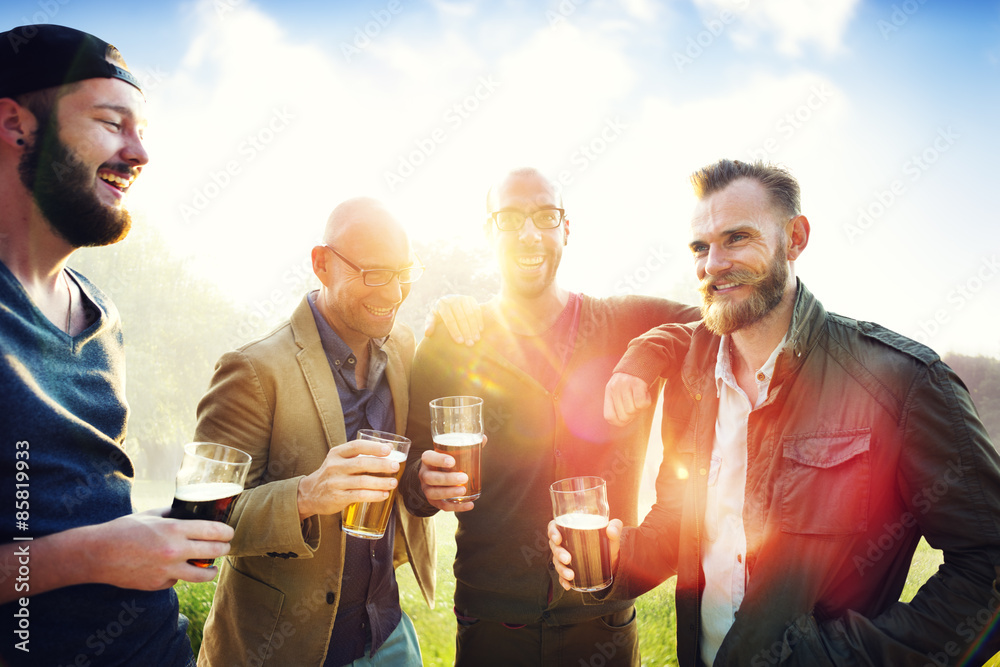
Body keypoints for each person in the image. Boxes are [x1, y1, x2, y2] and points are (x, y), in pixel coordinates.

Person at [550, 158, 1000, 666]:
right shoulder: (693, 381)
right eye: (700, 247)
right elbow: (682, 522)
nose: (713, 264)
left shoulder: (903, 383)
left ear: (795, 238)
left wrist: (838, 658)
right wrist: (615, 559)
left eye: (737, 238)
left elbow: (989, 563)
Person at [0, 24, 235, 666]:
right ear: (17, 124)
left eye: (144, 131)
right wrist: (96, 555)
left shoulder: (104, 318)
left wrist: (150, 533)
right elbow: (75, 549)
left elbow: (77, 505)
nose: (140, 154)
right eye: (111, 122)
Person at [403, 167, 701, 666]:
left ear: (567, 229)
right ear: (488, 233)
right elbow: (411, 472)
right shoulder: (453, 339)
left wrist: (647, 354)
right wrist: (420, 481)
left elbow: (714, 325)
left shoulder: (623, 321)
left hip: (602, 623)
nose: (528, 234)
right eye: (510, 218)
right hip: (491, 624)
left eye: (545, 216)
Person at [193, 197, 435, 666]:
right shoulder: (253, 370)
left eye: (403, 272)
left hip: (388, 635)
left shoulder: (402, 345)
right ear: (321, 265)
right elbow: (203, 517)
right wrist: (305, 494)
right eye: (373, 274)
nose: (394, 293)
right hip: (284, 647)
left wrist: (426, 480)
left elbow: (402, 474)